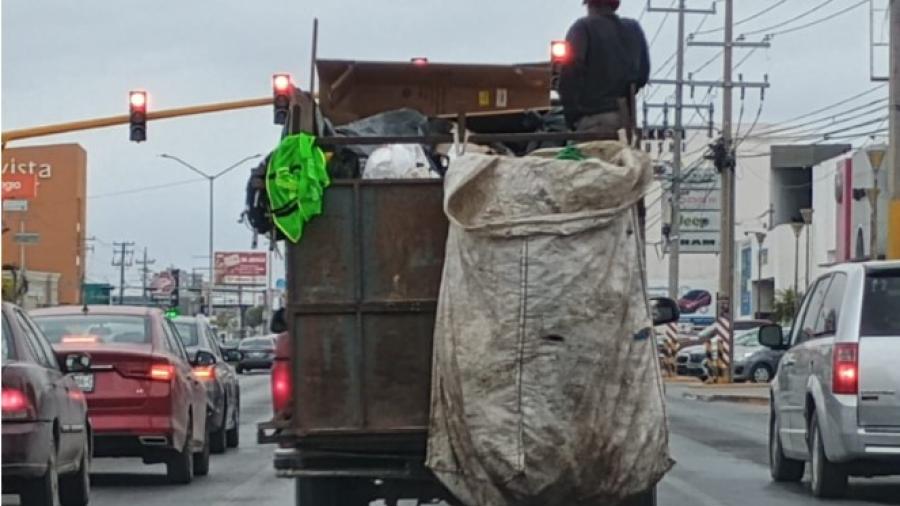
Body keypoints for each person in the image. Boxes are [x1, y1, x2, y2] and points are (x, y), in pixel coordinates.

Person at [558, 0, 651, 132]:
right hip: (626, 121)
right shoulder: (634, 29)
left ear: (590, 5)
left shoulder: (583, 28)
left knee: (590, 152)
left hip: (593, 120)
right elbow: (643, 75)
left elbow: (569, 75)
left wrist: (571, 116)